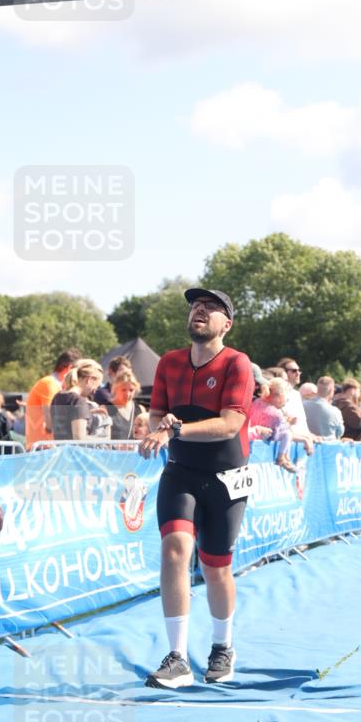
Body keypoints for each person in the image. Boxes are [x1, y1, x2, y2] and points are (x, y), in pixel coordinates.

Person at [140, 288, 254, 690]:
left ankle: (223, 647)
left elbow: (230, 424)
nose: (199, 310)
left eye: (211, 307)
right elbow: (156, 413)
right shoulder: (169, 362)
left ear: (227, 323)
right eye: (195, 306)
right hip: (181, 471)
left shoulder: (238, 363)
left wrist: (175, 430)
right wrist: (155, 428)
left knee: (215, 566)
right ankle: (176, 658)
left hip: (225, 477)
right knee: (174, 550)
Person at [25, 348, 81, 448]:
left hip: (47, 446)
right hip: (41, 447)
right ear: (70, 368)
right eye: (79, 372)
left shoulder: (55, 384)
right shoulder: (49, 384)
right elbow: (50, 422)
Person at [249, 377, 299, 473]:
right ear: (281, 396)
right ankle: (281, 457)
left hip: (250, 437)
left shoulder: (256, 402)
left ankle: (285, 457)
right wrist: (288, 424)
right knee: (287, 434)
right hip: (262, 439)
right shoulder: (276, 413)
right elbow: (274, 436)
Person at [50, 361, 109, 441]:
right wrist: (103, 439)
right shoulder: (78, 401)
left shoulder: (57, 397)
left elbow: (66, 422)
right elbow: (79, 438)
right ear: (89, 380)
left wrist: (88, 414)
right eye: (96, 387)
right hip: (75, 452)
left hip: (61, 450)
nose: (94, 392)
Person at [107, 371, 146, 441]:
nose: (127, 394)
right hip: (113, 451)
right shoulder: (107, 408)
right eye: (123, 390)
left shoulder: (140, 409)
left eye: (131, 390)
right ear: (116, 389)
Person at [304, 376, 344, 441]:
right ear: (331, 390)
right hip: (328, 448)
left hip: (305, 447)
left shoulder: (303, 405)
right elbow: (340, 433)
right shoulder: (335, 411)